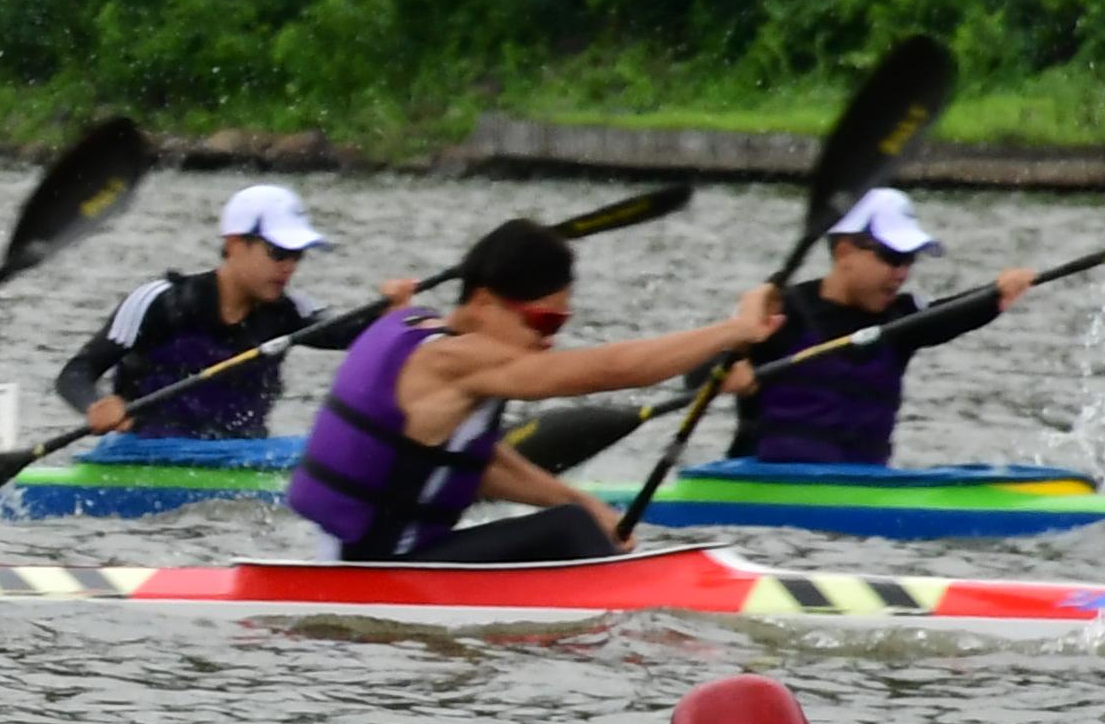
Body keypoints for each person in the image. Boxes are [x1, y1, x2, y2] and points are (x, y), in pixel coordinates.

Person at [287, 216, 781, 564]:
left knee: (573, 518)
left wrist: (583, 502)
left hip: (363, 559)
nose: (550, 337)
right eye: (542, 319)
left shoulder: (412, 327)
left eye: (561, 320)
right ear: (482, 301)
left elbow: (481, 464)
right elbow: (609, 369)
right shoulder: (450, 360)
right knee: (570, 533)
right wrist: (731, 330)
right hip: (379, 572)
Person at [59, 183, 409, 439]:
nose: (289, 266)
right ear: (234, 244)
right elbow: (75, 373)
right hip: (144, 457)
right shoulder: (160, 302)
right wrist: (95, 406)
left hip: (238, 457)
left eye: (297, 255)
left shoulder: (290, 312)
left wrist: (390, 312)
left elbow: (353, 333)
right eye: (278, 252)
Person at [719, 188, 1035, 464]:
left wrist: (996, 295)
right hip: (760, 488)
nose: (901, 272)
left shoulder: (901, 320)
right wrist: (725, 375)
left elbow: (950, 315)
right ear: (844, 251)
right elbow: (700, 374)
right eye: (892, 256)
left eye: (910, 259)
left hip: (863, 487)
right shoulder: (779, 311)